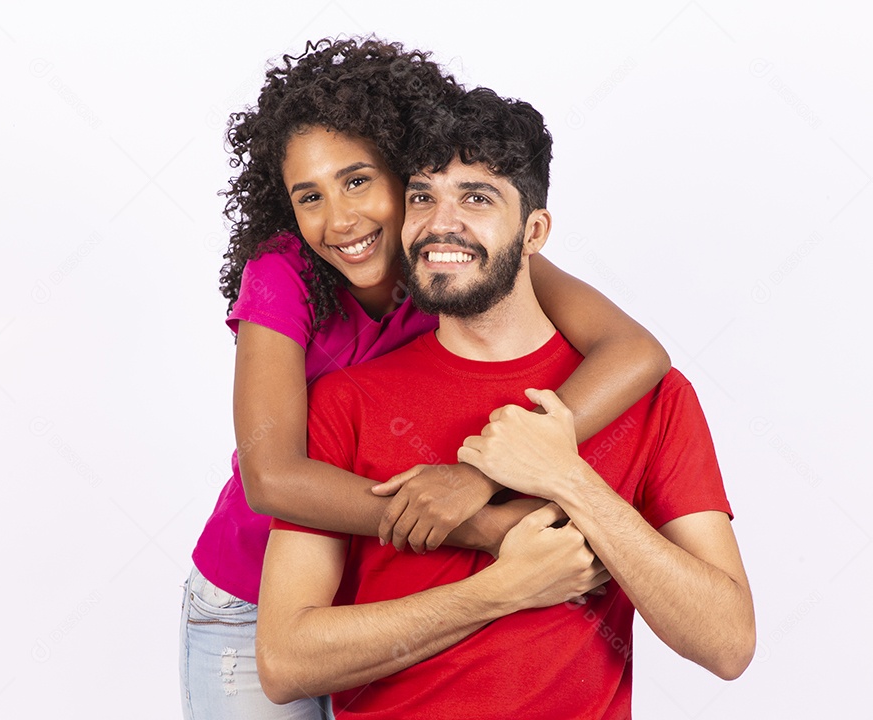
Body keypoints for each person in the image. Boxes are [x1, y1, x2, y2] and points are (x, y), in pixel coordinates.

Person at [181, 38, 672, 719]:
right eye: (309, 196)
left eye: (358, 181)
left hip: (381, 591)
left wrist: (482, 474)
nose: (341, 219)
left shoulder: (448, 255)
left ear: (405, 175)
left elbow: (633, 351)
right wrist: (481, 524)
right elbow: (272, 478)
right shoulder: (282, 276)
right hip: (252, 600)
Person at [256, 86, 755, 718]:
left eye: (476, 197)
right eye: (421, 197)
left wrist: (568, 479)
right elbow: (283, 662)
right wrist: (500, 592)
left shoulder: (651, 399)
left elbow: (728, 645)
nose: (441, 223)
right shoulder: (344, 401)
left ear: (534, 231)